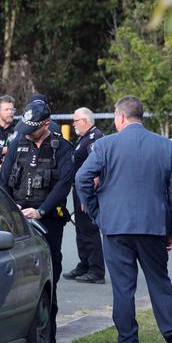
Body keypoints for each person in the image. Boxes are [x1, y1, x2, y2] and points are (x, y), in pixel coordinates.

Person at [75, 95, 172, 343]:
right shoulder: (163, 146)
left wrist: (97, 213)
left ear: (121, 117)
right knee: (160, 282)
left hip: (115, 226)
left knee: (123, 288)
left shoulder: (105, 145)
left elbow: (82, 178)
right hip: (152, 225)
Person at [0, 98, 73, 343]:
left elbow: (64, 184)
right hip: (17, 220)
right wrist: (13, 209)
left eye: (33, 128)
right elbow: (3, 180)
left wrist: (41, 210)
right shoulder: (17, 142)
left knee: (48, 280)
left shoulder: (61, 148)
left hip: (48, 221)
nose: (28, 133)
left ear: (45, 124)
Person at [62, 107, 105, 284]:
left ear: (85, 121)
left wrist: (87, 194)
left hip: (86, 191)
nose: (73, 125)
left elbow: (96, 168)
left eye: (76, 121)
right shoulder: (84, 138)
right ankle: (85, 263)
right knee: (80, 229)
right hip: (79, 188)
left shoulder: (95, 138)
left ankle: (96, 270)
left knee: (89, 229)